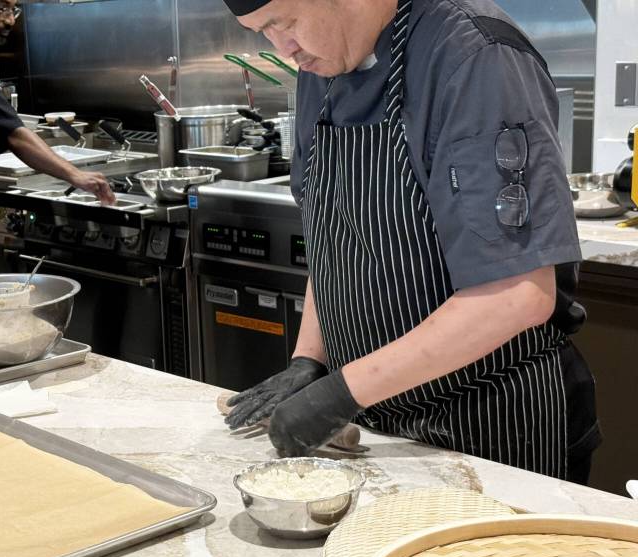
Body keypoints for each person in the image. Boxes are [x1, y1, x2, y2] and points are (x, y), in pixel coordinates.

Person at [223, 0, 600, 483]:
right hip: (376, 424)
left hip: (491, 426)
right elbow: (333, 233)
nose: (283, 48)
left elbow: (519, 293)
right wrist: (309, 358)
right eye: (263, 32)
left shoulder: (475, 58)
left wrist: (343, 392)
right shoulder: (325, 61)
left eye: (286, 23)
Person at [0, 0, 114, 275]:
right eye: (1, 8)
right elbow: (14, 135)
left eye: (15, 9)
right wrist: (76, 175)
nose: (10, 20)